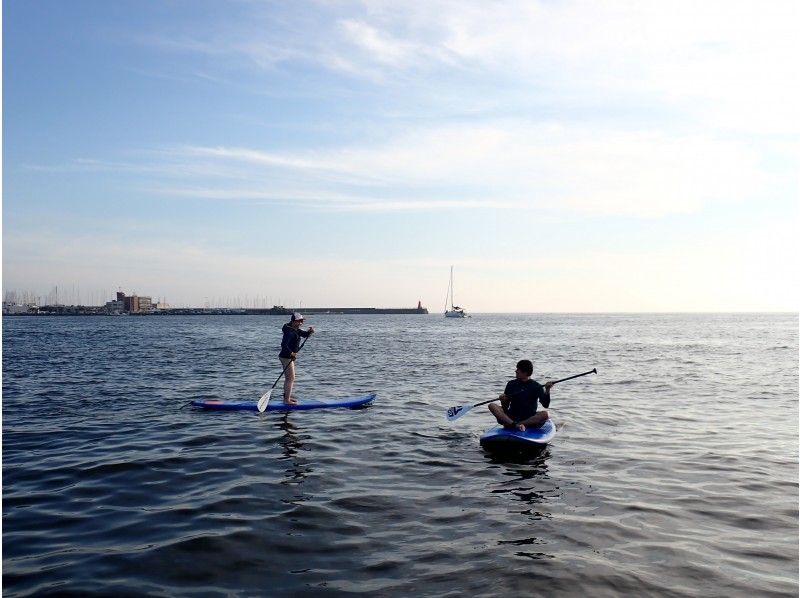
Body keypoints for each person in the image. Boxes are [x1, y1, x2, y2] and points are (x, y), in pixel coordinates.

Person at [488, 359, 553, 431]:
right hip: (511, 416)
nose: (515, 371)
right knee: (492, 405)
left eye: (518, 369)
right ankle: (514, 424)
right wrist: (503, 400)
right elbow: (505, 407)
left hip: (528, 418)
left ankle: (517, 424)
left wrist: (547, 390)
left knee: (546, 414)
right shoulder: (511, 384)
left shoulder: (536, 386)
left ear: (525, 372)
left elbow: (546, 405)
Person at [278, 312, 315, 405]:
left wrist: (309, 332)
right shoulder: (289, 332)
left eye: (302, 321)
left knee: (289, 378)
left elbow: (304, 334)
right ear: (293, 321)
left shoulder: (296, 329)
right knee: (290, 378)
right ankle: (286, 400)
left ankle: (286, 398)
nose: (301, 323)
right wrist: (292, 353)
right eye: (299, 321)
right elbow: (284, 346)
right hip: (286, 357)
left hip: (287, 357)